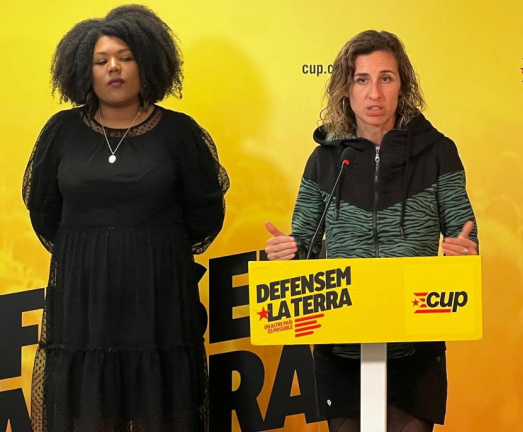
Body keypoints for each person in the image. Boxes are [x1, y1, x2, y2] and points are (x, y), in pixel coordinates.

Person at [22, 5, 228, 431]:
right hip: (83, 302)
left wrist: (155, 250)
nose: (113, 68)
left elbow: (206, 211)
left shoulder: (179, 132)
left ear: (147, 63)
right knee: (90, 414)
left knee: (163, 413)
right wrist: (90, 250)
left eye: (125, 57)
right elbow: (43, 209)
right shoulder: (62, 130)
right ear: (83, 70)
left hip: (159, 300)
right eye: (101, 61)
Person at [263, 30, 478, 432]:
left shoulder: (438, 152)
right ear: (346, 89)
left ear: (402, 85)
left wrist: (465, 253)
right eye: (362, 79)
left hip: (415, 347)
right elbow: (303, 248)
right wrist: (285, 255)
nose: (374, 93)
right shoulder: (325, 160)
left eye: (386, 78)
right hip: (341, 347)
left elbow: (465, 234)